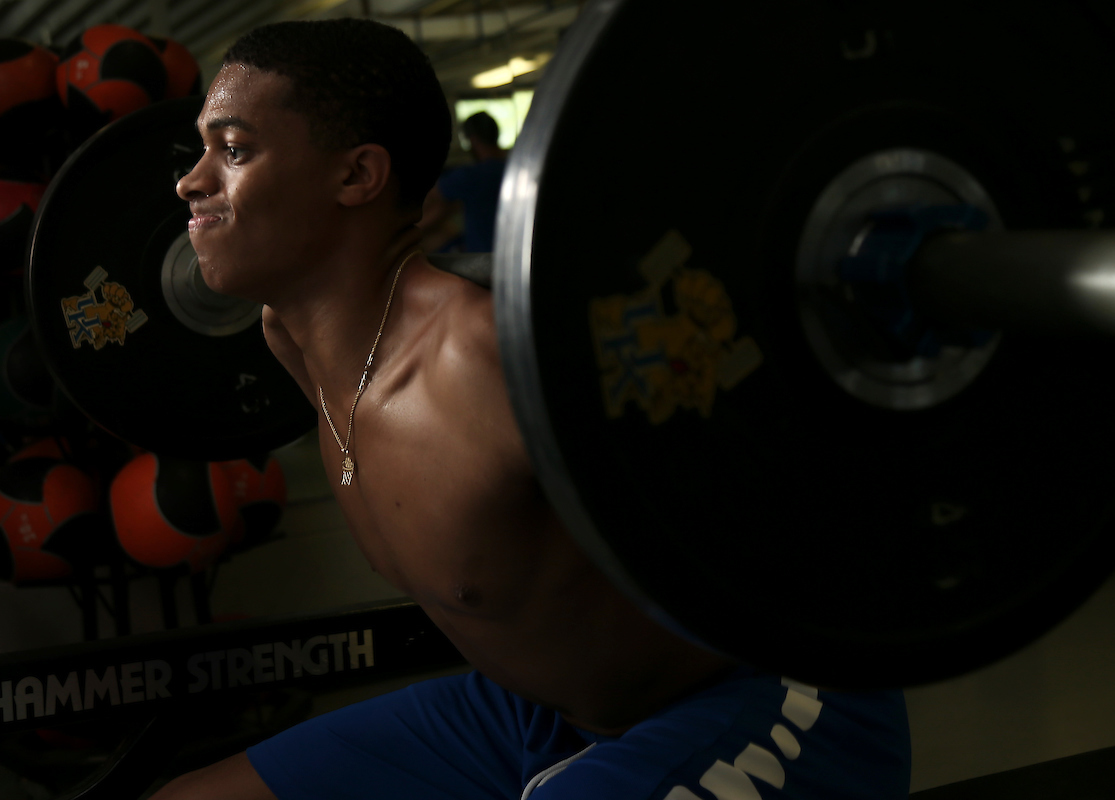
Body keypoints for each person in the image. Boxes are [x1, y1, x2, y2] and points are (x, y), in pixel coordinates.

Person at [154, 18, 910, 800]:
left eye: (234, 150)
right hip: (534, 716)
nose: (191, 181)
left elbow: (801, 502)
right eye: (203, 150)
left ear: (357, 176)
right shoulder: (293, 339)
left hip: (764, 696)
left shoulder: (486, 362)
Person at [419, 111, 506, 252]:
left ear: (473, 140)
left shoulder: (472, 176)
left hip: (482, 258)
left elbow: (431, 196)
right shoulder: (512, 170)